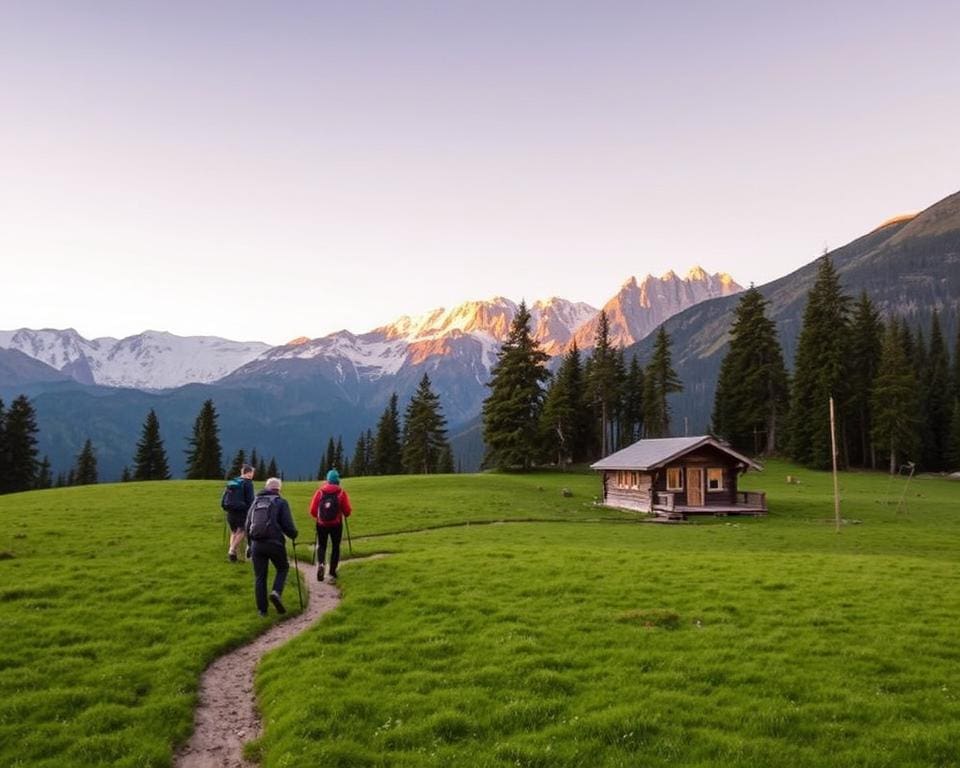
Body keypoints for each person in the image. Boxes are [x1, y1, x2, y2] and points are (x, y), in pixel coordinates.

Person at [245, 477, 299, 616]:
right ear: (279, 489)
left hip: (257, 544)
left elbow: (247, 525)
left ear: (266, 487)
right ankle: (276, 592)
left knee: (260, 577)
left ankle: (262, 611)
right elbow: (287, 526)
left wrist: (249, 545)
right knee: (283, 568)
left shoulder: (255, 502)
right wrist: (294, 535)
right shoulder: (280, 502)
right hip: (275, 543)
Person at [309, 468, 352, 583]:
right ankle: (332, 571)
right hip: (336, 524)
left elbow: (312, 510)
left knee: (322, 545)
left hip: (321, 523)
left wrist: (319, 516)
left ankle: (321, 564)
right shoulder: (341, 492)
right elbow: (347, 511)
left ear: (327, 480)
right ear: (337, 480)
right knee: (335, 546)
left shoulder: (320, 492)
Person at [226, 464, 255, 562]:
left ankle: (233, 553)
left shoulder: (233, 482)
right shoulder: (248, 483)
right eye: (252, 473)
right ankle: (232, 550)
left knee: (234, 531)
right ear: (249, 473)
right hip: (242, 511)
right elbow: (250, 499)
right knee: (242, 531)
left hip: (230, 510)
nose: (253, 475)